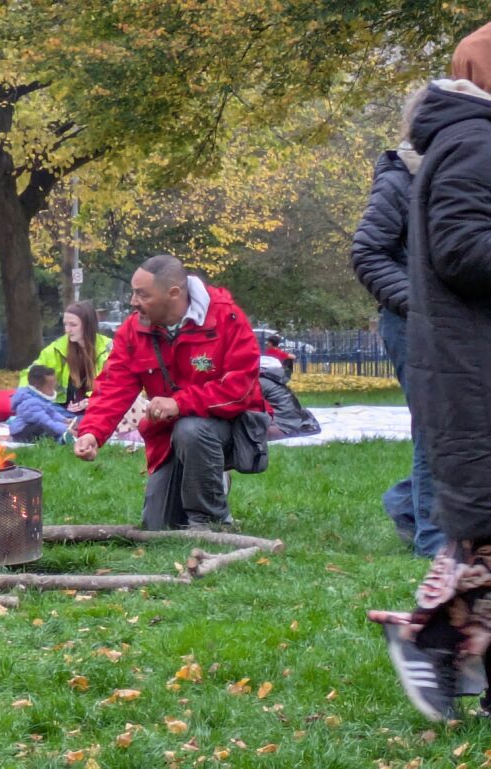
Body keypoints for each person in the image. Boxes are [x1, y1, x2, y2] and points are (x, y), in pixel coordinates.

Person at [370, 23, 491, 722]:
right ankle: (429, 639)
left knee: (482, 541)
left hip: (472, 370)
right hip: (476, 378)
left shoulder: (468, 140)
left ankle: (437, 642)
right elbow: (462, 248)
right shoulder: (476, 142)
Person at [73, 254, 266, 530]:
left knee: (191, 429)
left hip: (229, 429)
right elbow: (114, 386)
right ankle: (202, 480)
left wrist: (180, 403)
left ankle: (210, 520)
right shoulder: (133, 330)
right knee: (158, 526)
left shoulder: (226, 318)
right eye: (133, 292)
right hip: (168, 434)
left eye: (142, 294)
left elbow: (241, 388)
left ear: (173, 293)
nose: (133, 302)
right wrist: (92, 432)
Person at [351, 87, 442, 558]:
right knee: (434, 427)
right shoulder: (400, 176)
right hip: (411, 322)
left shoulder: (450, 175)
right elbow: (367, 252)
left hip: (443, 322)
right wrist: (420, 303)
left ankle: (406, 505)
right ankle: (432, 540)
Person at [18, 300, 112, 412]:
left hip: (100, 410)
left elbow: (116, 385)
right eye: (65, 324)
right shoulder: (58, 348)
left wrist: (92, 402)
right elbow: (30, 374)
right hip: (63, 410)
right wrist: (26, 399)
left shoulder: (108, 349)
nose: (67, 330)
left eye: (73, 325)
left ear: (88, 325)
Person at [8, 365, 77, 444]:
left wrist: (64, 420)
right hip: (21, 432)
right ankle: (60, 441)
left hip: (37, 425)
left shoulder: (41, 399)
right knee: (44, 429)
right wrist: (65, 428)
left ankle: (63, 437)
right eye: (50, 388)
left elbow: (52, 413)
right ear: (37, 387)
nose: (53, 391)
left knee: (50, 428)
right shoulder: (31, 403)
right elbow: (46, 422)